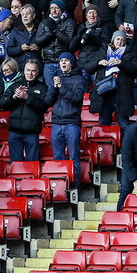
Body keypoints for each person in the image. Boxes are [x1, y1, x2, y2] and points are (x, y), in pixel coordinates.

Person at [46, 52, 87, 187]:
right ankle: (61, 189)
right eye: (61, 60)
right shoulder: (56, 79)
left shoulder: (79, 80)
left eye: (66, 60)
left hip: (72, 123)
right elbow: (48, 101)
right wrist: (54, 87)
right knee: (58, 159)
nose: (63, 63)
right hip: (57, 122)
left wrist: (61, 88)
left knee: (74, 158)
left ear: (71, 63)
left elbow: (76, 99)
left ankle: (76, 188)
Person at [0, 61, 50, 162]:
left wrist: (27, 97)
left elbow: (44, 107)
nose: (30, 73)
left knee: (32, 165)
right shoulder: (15, 86)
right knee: (16, 166)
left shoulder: (43, 88)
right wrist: (14, 97)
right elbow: (1, 103)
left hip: (32, 132)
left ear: (38, 72)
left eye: (33, 71)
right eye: (28, 70)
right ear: (23, 71)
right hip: (14, 131)